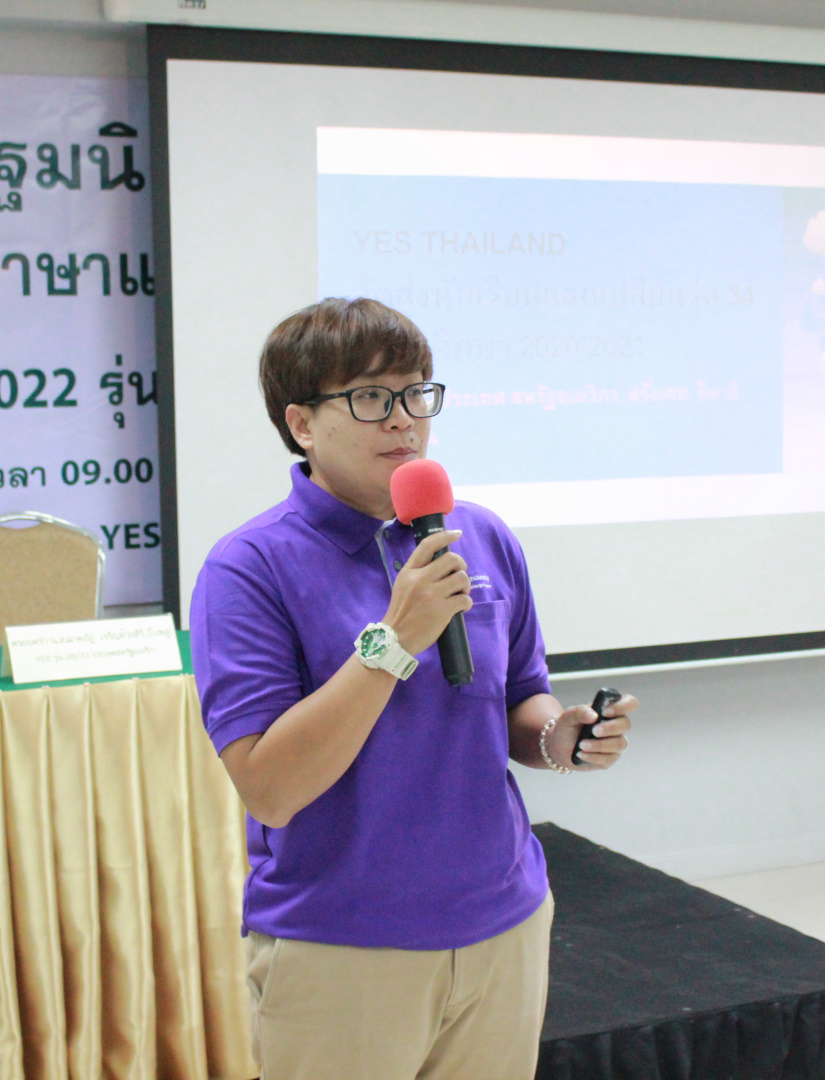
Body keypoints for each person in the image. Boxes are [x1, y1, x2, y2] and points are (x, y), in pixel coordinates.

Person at [189, 297, 637, 1080]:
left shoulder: (479, 535)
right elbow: (270, 788)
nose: (403, 420)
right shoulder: (248, 569)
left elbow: (518, 698)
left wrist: (557, 736)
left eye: (416, 393)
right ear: (302, 424)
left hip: (504, 922)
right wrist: (393, 643)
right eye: (371, 397)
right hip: (342, 946)